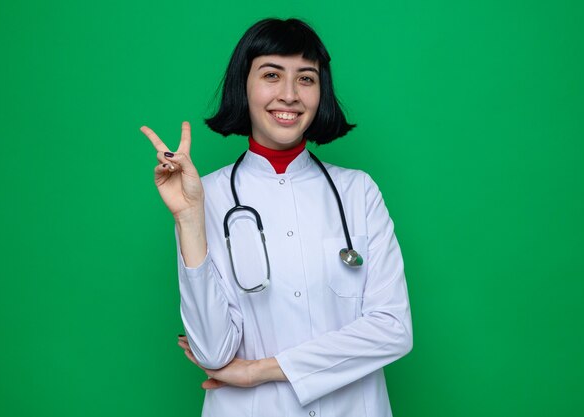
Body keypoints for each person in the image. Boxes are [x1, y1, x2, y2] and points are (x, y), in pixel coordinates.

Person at [141, 17, 413, 417]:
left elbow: (393, 329)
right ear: (243, 85)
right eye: (271, 75)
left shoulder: (357, 192)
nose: (289, 95)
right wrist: (189, 220)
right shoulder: (206, 196)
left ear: (321, 91)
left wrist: (260, 370)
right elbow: (213, 351)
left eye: (306, 78)